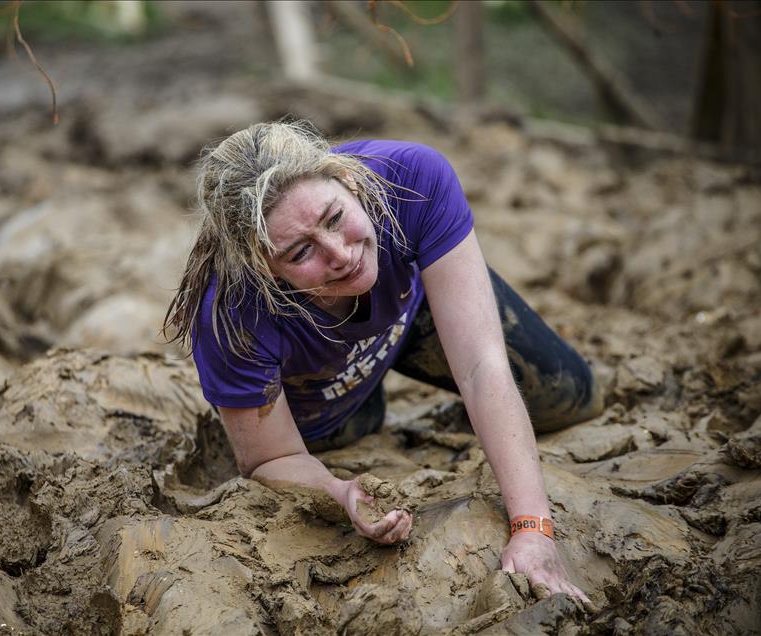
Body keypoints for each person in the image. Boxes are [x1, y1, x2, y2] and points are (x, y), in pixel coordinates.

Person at [164, 120, 603, 603]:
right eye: (300, 251)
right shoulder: (231, 311)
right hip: (318, 378)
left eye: (335, 218)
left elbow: (481, 364)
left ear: (349, 181)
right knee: (350, 434)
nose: (340, 254)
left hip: (412, 311)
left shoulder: (412, 178)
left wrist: (533, 528)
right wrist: (338, 493)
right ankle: (363, 399)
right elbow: (272, 458)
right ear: (263, 266)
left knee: (571, 396)